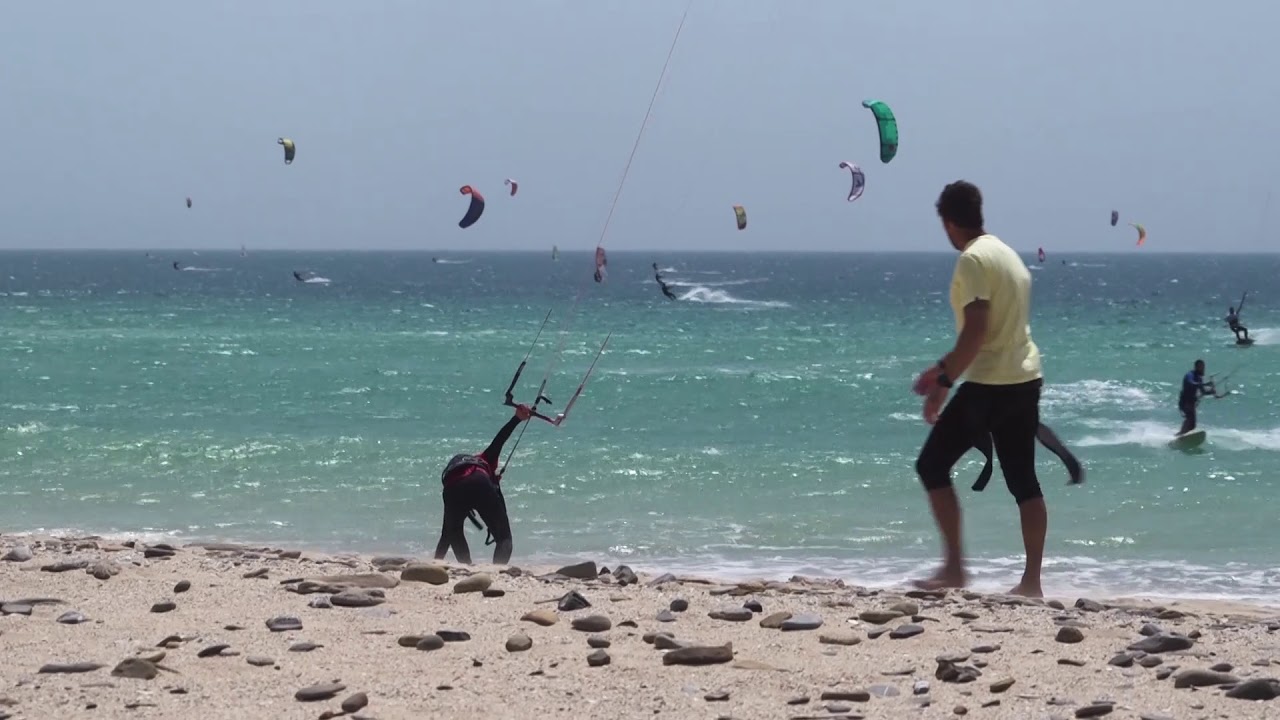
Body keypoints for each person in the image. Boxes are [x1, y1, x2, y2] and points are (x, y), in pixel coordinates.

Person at [911, 180, 1049, 598]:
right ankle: (1031, 583)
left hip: (990, 384)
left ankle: (954, 569)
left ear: (949, 223)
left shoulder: (972, 260)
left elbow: (976, 333)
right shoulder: (1008, 256)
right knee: (1024, 481)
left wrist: (942, 379)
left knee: (932, 465)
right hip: (1025, 378)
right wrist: (945, 374)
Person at [433, 403, 532, 565]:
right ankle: (496, 571)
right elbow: (499, 440)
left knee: (453, 531)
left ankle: (466, 566)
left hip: (452, 488)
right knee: (504, 538)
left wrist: (436, 563)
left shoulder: (459, 470)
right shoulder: (485, 459)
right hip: (479, 482)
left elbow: (446, 535)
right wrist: (516, 419)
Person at [1177, 359, 1218, 435]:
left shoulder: (1199, 378)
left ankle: (1181, 435)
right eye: (1201, 367)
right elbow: (1191, 383)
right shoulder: (1190, 375)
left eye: (1203, 367)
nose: (1203, 369)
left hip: (1191, 402)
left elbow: (1203, 392)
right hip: (1185, 401)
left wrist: (1211, 392)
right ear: (1196, 367)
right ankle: (1180, 434)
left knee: (1192, 426)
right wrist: (1205, 384)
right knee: (1189, 418)